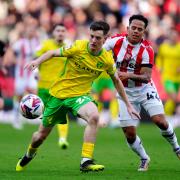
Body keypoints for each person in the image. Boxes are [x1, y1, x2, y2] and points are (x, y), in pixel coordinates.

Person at [15, 21, 139, 172]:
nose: (93, 40)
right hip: (58, 96)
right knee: (40, 136)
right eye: (92, 36)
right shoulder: (78, 46)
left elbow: (117, 82)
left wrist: (128, 104)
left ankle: (86, 161)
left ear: (106, 38)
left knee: (94, 117)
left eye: (98, 38)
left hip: (80, 96)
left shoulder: (106, 59)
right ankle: (29, 154)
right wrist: (37, 61)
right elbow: (53, 53)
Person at [103, 14, 180, 171]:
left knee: (160, 121)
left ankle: (177, 148)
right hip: (124, 92)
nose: (136, 31)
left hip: (144, 89)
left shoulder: (147, 49)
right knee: (129, 134)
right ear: (128, 28)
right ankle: (144, 158)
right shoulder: (115, 41)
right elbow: (98, 52)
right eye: (134, 28)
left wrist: (127, 74)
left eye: (140, 29)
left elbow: (146, 77)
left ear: (144, 31)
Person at [35, 23, 69, 149]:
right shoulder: (45, 45)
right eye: (58, 30)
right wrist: (36, 72)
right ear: (53, 32)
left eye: (63, 30)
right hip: (43, 87)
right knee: (44, 118)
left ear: (66, 33)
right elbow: (35, 58)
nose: (60, 33)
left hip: (59, 89)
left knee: (61, 114)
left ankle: (63, 139)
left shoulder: (68, 48)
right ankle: (38, 138)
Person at [3, 24, 40, 129]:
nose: (31, 33)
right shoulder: (20, 43)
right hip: (21, 74)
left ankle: (33, 115)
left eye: (33, 31)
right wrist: (17, 61)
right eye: (29, 31)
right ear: (26, 32)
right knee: (18, 96)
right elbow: (10, 53)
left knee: (34, 93)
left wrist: (38, 70)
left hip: (31, 73)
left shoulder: (36, 43)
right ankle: (16, 118)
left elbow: (38, 57)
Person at [156, 29, 180, 116]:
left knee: (172, 99)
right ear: (169, 37)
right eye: (172, 36)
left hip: (177, 77)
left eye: (175, 36)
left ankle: (167, 117)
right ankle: (168, 116)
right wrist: (159, 67)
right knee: (173, 96)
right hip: (167, 76)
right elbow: (159, 58)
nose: (174, 38)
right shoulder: (163, 47)